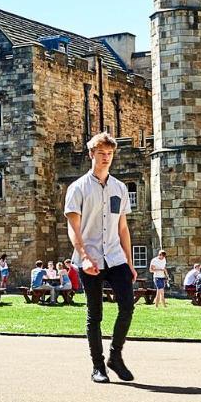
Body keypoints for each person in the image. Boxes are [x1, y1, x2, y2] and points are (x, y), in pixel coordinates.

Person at [64, 132, 136, 383]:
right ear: (91, 154)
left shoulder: (120, 188)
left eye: (110, 154)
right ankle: (98, 366)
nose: (106, 158)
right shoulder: (78, 188)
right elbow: (73, 227)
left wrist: (129, 261)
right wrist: (83, 256)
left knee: (127, 306)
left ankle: (115, 357)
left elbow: (123, 227)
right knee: (95, 314)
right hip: (91, 258)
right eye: (101, 153)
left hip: (116, 258)